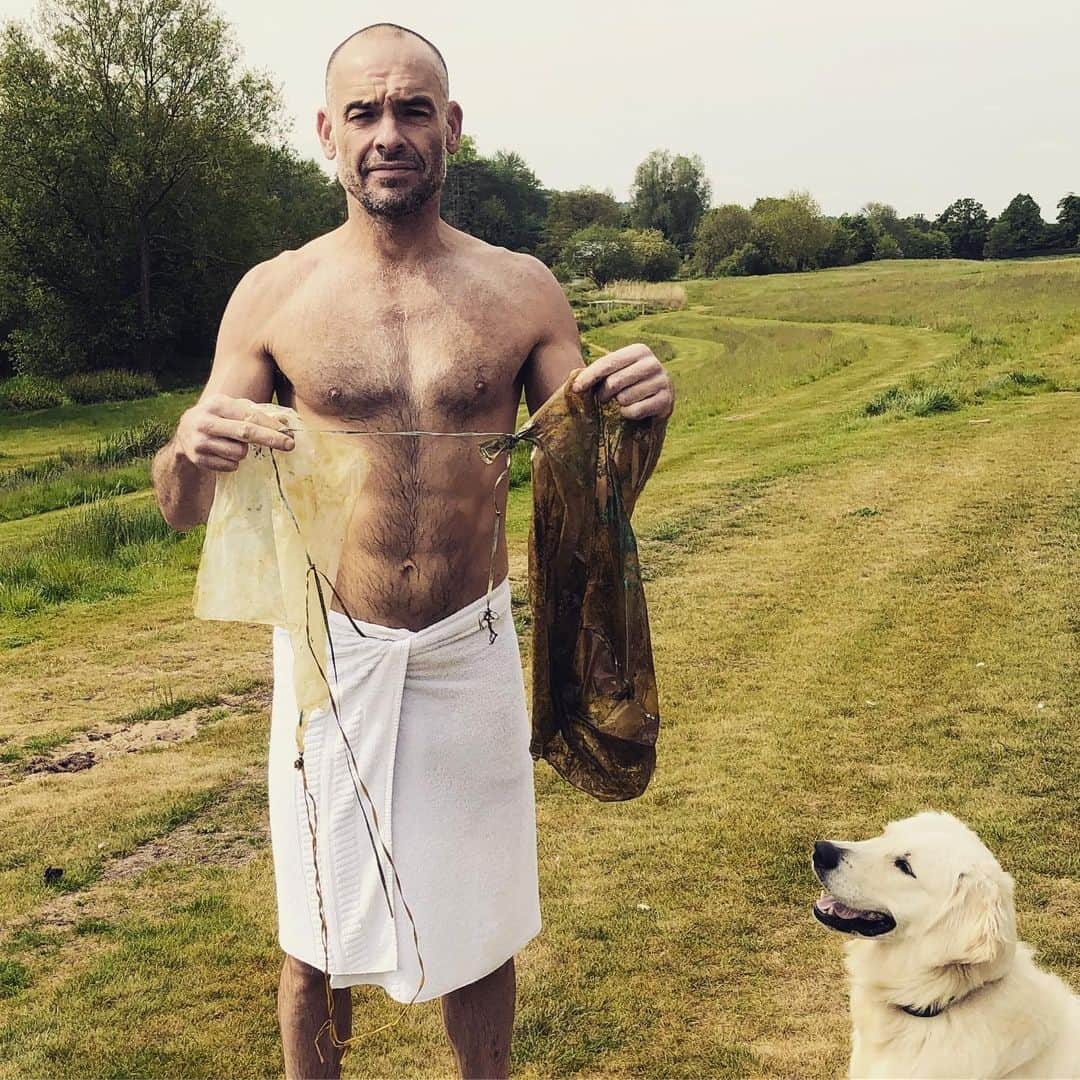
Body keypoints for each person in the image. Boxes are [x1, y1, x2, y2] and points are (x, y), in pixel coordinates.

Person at [152, 22, 674, 1079]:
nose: (389, 132)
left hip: (464, 648)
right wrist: (187, 447)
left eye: (413, 109)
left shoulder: (521, 288)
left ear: (453, 128)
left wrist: (644, 419)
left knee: (480, 932)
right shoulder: (274, 292)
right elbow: (182, 508)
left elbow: (593, 491)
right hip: (327, 657)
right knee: (314, 939)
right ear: (326, 134)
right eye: (365, 112)